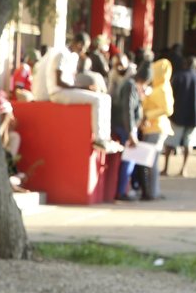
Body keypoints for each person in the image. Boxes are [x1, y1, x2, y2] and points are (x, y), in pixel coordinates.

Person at [45, 32, 112, 145]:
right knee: (98, 100)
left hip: (67, 90)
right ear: (79, 44)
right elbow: (59, 82)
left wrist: (86, 89)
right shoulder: (62, 54)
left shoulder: (73, 56)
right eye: (85, 47)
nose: (85, 50)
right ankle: (99, 139)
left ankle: (106, 136)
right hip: (58, 93)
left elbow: (71, 81)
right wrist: (85, 87)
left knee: (105, 98)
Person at [110, 67, 150, 202]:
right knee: (129, 160)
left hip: (126, 127)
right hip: (125, 128)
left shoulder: (129, 84)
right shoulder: (130, 86)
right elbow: (127, 110)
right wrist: (131, 132)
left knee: (129, 160)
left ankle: (124, 189)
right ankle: (121, 191)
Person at [163, 56, 196, 177]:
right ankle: (184, 169)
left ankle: (166, 168)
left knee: (170, 143)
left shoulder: (178, 77)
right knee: (189, 143)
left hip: (177, 114)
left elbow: (170, 94)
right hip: (194, 116)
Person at [138, 58, 173, 201]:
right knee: (150, 161)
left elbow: (167, 109)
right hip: (152, 128)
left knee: (152, 161)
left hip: (156, 128)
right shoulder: (158, 87)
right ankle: (152, 190)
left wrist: (147, 115)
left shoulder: (162, 88)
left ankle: (153, 191)